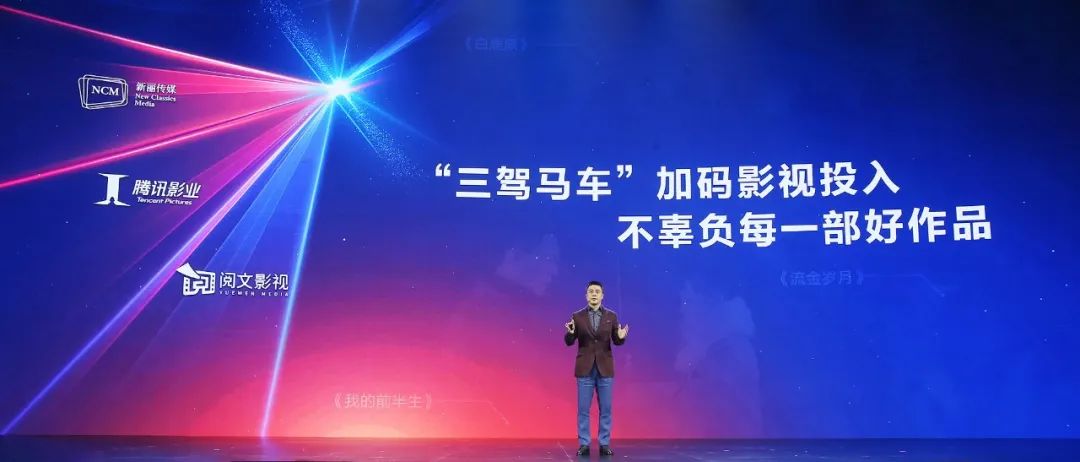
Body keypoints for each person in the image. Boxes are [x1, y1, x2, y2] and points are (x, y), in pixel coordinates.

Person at [563, 280, 628, 456]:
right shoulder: (577, 316)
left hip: (605, 368)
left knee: (606, 409)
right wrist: (570, 333)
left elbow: (616, 341)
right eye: (591, 291)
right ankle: (584, 443)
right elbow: (569, 342)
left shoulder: (611, 316)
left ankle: (604, 443)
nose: (594, 294)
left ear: (602, 296)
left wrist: (621, 336)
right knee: (583, 409)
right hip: (585, 368)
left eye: (597, 292)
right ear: (586, 295)